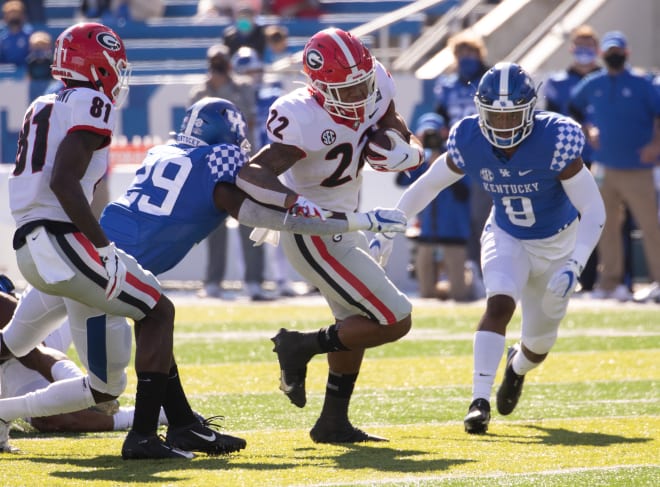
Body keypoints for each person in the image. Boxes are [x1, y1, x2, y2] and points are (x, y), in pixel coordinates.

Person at [0, 92, 405, 453]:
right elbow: (267, 213)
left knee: (16, 340)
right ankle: (132, 431)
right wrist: (356, 221)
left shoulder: (164, 152)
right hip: (106, 271)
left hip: (82, 254)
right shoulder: (220, 162)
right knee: (111, 380)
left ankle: (183, 425)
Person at [0, 22, 245, 461]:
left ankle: (182, 425)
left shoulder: (44, 102)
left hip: (31, 243)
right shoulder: (91, 100)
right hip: (63, 240)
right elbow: (64, 180)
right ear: (97, 66)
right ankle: (146, 437)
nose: (117, 75)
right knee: (157, 309)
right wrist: (103, 247)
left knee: (34, 346)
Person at [380, 62, 606, 434]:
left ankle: (516, 368)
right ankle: (478, 401)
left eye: (511, 116)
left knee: (538, 345)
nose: (502, 125)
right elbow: (429, 183)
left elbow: (593, 207)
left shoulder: (556, 138)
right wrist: (394, 221)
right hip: (507, 234)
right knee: (499, 303)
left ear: (530, 110)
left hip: (558, 244)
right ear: (480, 110)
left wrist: (575, 263)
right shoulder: (469, 137)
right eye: (495, 117)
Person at [236, 28, 424, 443]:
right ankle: (299, 345)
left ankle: (333, 422)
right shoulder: (301, 115)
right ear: (317, 87)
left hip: (347, 221)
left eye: (363, 85)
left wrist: (408, 146)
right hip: (314, 231)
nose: (359, 97)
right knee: (395, 318)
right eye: (348, 89)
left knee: (354, 321)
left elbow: (390, 119)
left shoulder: (375, 80)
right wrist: (294, 204)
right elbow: (251, 172)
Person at [0, 281, 169, 452]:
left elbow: (31, 349)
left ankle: (162, 413)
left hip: (34, 320)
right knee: (61, 415)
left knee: (62, 409)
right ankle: (161, 413)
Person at [570, 30, 660, 303]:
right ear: (603, 54)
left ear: (626, 54)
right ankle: (610, 282)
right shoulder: (593, 83)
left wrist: (656, 144)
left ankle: (658, 280)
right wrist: (588, 129)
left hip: (638, 167)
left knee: (650, 226)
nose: (614, 56)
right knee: (605, 226)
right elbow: (573, 106)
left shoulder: (643, 83)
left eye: (618, 52)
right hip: (604, 167)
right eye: (610, 52)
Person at [190, 43, 266, 300]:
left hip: (241, 166)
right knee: (213, 229)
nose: (219, 67)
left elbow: (248, 121)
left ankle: (255, 282)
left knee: (250, 223)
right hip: (211, 170)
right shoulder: (199, 92)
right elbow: (193, 133)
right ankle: (213, 281)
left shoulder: (242, 87)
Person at [543, 24, 602, 293]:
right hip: (568, 161)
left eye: (590, 45)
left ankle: (599, 280)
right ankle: (568, 276)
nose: (585, 51)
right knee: (568, 219)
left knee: (601, 218)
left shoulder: (608, 79)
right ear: (571, 48)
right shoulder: (557, 82)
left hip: (605, 160)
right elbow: (549, 122)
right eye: (580, 44)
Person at [433, 31, 491, 297]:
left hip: (486, 159)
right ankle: (469, 274)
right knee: (461, 221)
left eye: (471, 53)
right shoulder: (447, 86)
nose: (466, 59)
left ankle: (488, 272)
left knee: (484, 219)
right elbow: (438, 117)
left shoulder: (490, 81)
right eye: (461, 53)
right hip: (456, 159)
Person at [396, 112, 473, 301]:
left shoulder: (455, 156)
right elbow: (400, 180)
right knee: (426, 291)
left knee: (459, 293)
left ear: (444, 132)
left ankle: (472, 282)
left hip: (454, 232)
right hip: (427, 233)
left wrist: (443, 170)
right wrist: (415, 155)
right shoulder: (422, 160)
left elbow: (464, 193)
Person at [0, 0, 33, 69]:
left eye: (17, 14)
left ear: (23, 16)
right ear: (5, 17)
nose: (14, 17)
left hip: (26, 72)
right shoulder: (2, 38)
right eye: (10, 14)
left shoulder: (30, 36)